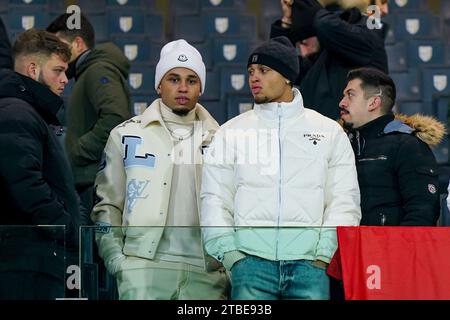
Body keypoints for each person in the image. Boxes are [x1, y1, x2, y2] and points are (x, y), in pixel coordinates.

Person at [200, 36, 361, 300]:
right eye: (251, 72)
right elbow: (214, 199)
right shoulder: (231, 132)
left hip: (310, 266)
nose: (254, 78)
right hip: (250, 265)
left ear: (287, 76)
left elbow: (344, 200)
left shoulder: (329, 131)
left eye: (264, 71)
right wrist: (232, 256)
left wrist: (323, 256)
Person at [91, 39, 229, 300]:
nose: (182, 88)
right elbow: (106, 207)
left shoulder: (223, 140)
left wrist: (227, 270)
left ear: (201, 88)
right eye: (173, 78)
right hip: (142, 269)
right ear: (158, 84)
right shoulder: (126, 134)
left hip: (206, 273)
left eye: (191, 80)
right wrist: (118, 262)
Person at [0, 29, 80, 299]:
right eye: (58, 70)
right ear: (33, 69)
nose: (65, 79)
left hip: (31, 256)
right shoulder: (17, 112)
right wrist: (66, 228)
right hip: (26, 260)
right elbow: (25, 184)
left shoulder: (24, 110)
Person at [47, 14, 131, 224]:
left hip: (95, 182)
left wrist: (77, 151)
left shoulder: (97, 70)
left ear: (77, 43)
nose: (55, 55)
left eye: (60, 47)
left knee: (94, 252)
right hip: (92, 180)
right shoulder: (89, 72)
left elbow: (116, 119)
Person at [339, 67, 442, 226]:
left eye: (350, 95)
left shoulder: (408, 145)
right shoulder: (340, 143)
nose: (342, 102)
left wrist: (393, 249)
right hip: (346, 247)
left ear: (374, 102)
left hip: (389, 248)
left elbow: (422, 212)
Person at [271, 0, 388, 120]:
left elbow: (325, 24)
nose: (385, 10)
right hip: (316, 134)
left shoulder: (369, 38)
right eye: (382, 2)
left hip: (353, 135)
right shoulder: (325, 56)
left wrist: (303, 3)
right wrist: (287, 20)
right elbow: (280, 65)